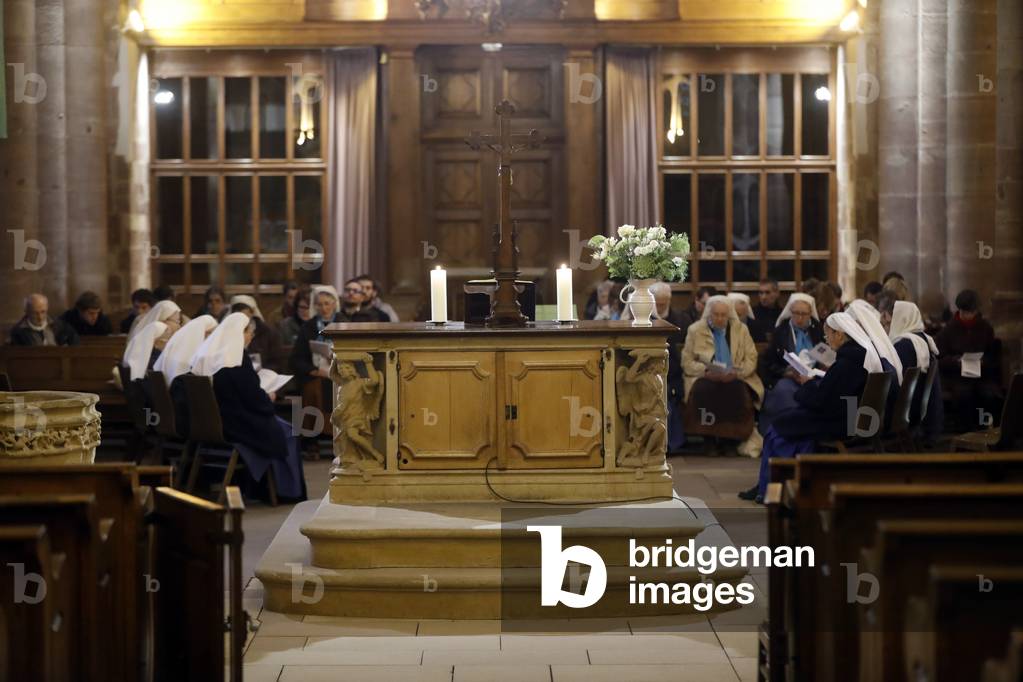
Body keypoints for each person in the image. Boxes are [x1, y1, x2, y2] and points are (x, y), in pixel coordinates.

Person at [747, 312, 881, 502]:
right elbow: (834, 393)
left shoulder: (847, 362)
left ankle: (770, 487)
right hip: (848, 417)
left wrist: (806, 385)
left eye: (828, 335)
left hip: (838, 423)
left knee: (777, 427)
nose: (827, 340)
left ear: (839, 335)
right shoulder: (856, 357)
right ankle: (765, 485)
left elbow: (822, 401)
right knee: (788, 419)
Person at [191, 312, 306, 502]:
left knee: (279, 425)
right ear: (239, 333)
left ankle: (264, 488)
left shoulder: (210, 355)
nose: (251, 336)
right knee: (288, 431)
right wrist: (267, 397)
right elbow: (253, 398)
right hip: (240, 424)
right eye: (249, 332)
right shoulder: (237, 359)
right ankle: (286, 492)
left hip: (221, 421)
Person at [681, 295, 764, 455]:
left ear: (729, 315)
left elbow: (751, 358)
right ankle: (709, 440)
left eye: (723, 315)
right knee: (704, 389)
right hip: (705, 377)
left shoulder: (741, 330)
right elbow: (687, 361)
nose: (719, 318)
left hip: (735, 376)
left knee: (736, 390)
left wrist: (737, 373)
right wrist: (705, 372)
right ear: (709, 314)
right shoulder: (695, 330)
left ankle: (730, 440)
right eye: (716, 314)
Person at [755, 293, 825, 436]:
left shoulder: (818, 330)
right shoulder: (781, 331)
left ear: (810, 314)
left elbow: (825, 356)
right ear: (790, 312)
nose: (799, 318)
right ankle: (785, 436)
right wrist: (785, 372)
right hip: (788, 377)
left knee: (821, 393)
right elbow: (768, 362)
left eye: (804, 314)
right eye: (796, 313)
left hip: (814, 377)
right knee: (784, 392)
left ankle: (812, 437)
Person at [935, 289, 1003, 431]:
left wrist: (984, 362)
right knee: (963, 395)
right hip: (958, 377)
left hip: (982, 376)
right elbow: (940, 358)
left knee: (988, 395)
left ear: (976, 311)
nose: (968, 316)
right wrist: (957, 361)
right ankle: (965, 430)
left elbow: (992, 355)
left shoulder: (985, 328)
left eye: (971, 312)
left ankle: (983, 428)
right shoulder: (948, 330)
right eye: (964, 312)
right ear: (959, 310)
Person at [883, 299, 944, 444]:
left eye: (888, 322)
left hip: (905, 409)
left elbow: (894, 382)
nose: (886, 327)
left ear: (901, 319)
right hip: (919, 407)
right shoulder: (923, 339)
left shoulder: (904, 345)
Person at [154, 315, 219, 439]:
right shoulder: (188, 365)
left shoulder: (175, 355)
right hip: (189, 423)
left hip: (166, 420)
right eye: (210, 334)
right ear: (201, 335)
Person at [651, 282, 686, 452]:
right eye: (657, 304)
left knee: (668, 400)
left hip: (672, 374)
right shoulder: (645, 322)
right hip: (651, 373)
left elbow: (678, 356)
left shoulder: (681, 319)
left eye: (664, 303)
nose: (661, 306)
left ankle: (671, 444)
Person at [229, 295, 285, 372]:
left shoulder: (269, 332)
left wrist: (262, 372)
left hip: (264, 377)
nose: (241, 322)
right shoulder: (227, 335)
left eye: (244, 317)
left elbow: (277, 362)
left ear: (252, 313)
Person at [10, 294, 80, 346]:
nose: (40, 317)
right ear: (27, 311)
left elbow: (74, 341)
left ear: (47, 308)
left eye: (43, 312)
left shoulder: (60, 325)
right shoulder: (18, 332)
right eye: (35, 313)